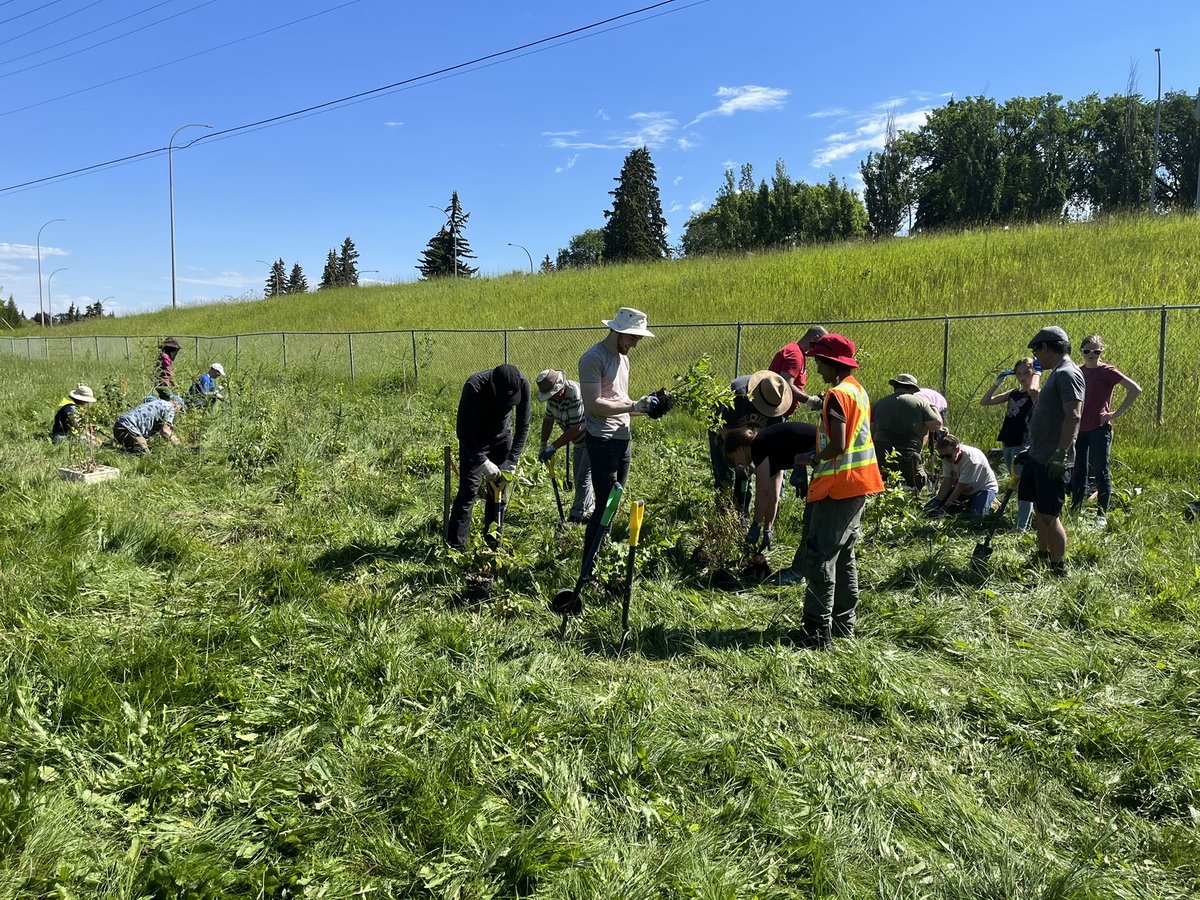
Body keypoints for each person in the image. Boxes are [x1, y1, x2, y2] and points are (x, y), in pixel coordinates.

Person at [790, 334, 885, 649]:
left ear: (832, 364)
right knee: (845, 555)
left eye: (819, 362)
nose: (817, 368)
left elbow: (839, 444)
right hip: (860, 484)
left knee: (820, 558)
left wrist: (810, 457)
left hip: (838, 487)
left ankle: (817, 634)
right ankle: (845, 627)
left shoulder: (836, 396)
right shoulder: (857, 391)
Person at [579, 307, 658, 557]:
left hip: (623, 439)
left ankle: (601, 555)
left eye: (638, 339)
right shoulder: (593, 358)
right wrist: (634, 405)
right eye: (633, 338)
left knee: (615, 501)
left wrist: (644, 408)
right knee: (604, 504)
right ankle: (589, 563)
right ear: (617, 331)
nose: (635, 344)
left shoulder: (624, 359)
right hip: (602, 440)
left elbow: (621, 404)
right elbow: (593, 404)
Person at [1018, 326, 1084, 576]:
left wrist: (1060, 453)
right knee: (1039, 509)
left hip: (1053, 459)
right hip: (1039, 454)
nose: (1036, 357)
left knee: (1050, 514)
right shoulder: (1057, 373)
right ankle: (1042, 555)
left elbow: (1074, 415)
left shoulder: (1068, 373)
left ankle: (1058, 569)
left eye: (1036, 351)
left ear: (1046, 347)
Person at [446, 365, 532, 550]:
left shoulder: (522, 384)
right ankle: (456, 547)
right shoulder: (475, 385)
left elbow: (524, 425)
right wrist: (482, 461)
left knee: (498, 492)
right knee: (469, 490)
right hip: (475, 441)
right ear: (494, 387)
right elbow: (463, 430)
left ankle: (492, 544)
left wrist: (513, 459)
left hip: (502, 439)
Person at [1070, 334, 1142, 528]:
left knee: (1101, 471)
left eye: (1096, 351)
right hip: (1079, 429)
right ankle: (1075, 511)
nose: (1091, 355)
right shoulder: (1076, 371)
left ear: (1102, 352)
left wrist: (1115, 413)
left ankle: (1101, 514)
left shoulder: (1107, 371)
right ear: (1081, 352)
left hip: (1099, 429)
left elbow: (1135, 389)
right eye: (1087, 351)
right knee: (1079, 471)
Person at [708, 370, 796, 518]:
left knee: (745, 479)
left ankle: (743, 516)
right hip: (725, 435)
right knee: (725, 475)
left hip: (750, 443)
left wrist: (754, 461)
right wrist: (740, 459)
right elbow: (724, 429)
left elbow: (776, 444)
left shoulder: (777, 405)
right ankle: (723, 514)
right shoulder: (738, 395)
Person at [723, 418, 817, 554]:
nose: (737, 464)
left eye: (734, 458)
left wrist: (755, 525)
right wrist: (768, 529)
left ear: (740, 448)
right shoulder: (770, 448)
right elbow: (774, 496)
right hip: (820, 447)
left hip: (824, 447)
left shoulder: (758, 446)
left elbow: (763, 493)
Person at [980, 357, 1041, 531]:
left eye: (1026, 373)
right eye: (1019, 373)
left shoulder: (1034, 393)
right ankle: (1033, 519)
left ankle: (1021, 528)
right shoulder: (1013, 393)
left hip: (1023, 444)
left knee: (1023, 488)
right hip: (1008, 442)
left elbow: (1034, 390)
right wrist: (997, 383)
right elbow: (985, 401)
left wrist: (1037, 373)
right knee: (1017, 485)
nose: (1022, 377)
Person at [535, 368, 593, 524]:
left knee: (583, 478)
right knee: (579, 476)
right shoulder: (553, 398)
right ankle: (589, 511)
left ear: (560, 386)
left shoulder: (574, 393)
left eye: (553, 394)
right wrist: (543, 444)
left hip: (593, 438)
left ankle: (577, 516)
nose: (552, 398)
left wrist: (553, 447)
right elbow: (548, 420)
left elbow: (576, 429)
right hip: (578, 442)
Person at [871, 373, 942, 490]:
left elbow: (872, 430)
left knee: (884, 482)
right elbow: (936, 425)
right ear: (912, 389)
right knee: (919, 484)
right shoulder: (920, 403)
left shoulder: (879, 403)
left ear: (895, 386)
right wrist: (934, 408)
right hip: (909, 455)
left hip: (881, 454)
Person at [925, 434, 1000, 519]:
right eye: (941, 456)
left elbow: (959, 488)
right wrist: (937, 502)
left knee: (975, 518)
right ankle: (969, 504)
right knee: (927, 509)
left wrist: (944, 508)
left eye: (948, 456)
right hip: (963, 490)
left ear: (957, 449)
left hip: (983, 489)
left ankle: (992, 503)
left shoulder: (972, 461)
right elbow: (947, 482)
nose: (945, 459)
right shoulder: (947, 456)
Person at [768, 326, 827, 416]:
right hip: (776, 413)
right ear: (816, 338)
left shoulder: (797, 352)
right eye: (822, 345)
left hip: (778, 412)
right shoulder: (795, 355)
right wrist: (811, 401)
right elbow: (786, 386)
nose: (822, 350)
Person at [114, 396, 183, 454]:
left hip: (118, 425)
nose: (178, 412)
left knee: (132, 452)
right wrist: (178, 446)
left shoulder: (156, 402)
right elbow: (165, 431)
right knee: (145, 456)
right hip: (129, 427)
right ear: (177, 404)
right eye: (180, 409)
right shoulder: (170, 408)